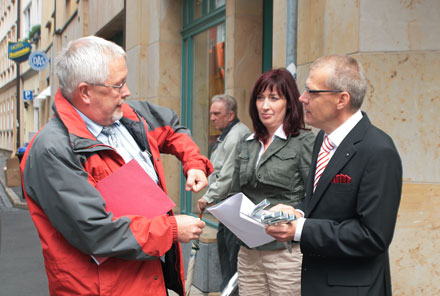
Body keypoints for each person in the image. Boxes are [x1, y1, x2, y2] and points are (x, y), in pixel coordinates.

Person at [19, 36, 213, 296]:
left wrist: (193, 163)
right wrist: (172, 230)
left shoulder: (126, 116)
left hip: (146, 279)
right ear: (85, 92)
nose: (127, 92)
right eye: (118, 84)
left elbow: (172, 128)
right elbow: (96, 231)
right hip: (101, 288)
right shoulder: (53, 150)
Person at [266, 55, 402, 296]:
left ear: (342, 99)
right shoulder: (323, 138)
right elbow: (318, 203)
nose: (301, 98)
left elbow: (373, 236)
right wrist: (296, 211)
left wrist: (300, 229)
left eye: (311, 91)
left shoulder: (379, 151)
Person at [228, 68, 315, 296]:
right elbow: (237, 192)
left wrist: (295, 216)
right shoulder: (247, 143)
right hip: (248, 250)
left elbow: (314, 195)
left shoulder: (303, 141)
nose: (265, 105)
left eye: (274, 98)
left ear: (289, 102)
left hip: (285, 252)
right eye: (260, 97)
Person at [196, 94, 250, 291]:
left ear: (230, 115)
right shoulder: (226, 134)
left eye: (217, 113)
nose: (212, 118)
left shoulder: (236, 136)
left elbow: (227, 176)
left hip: (233, 205)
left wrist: (207, 197)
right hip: (225, 206)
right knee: (225, 252)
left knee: (232, 258)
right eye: (211, 113)